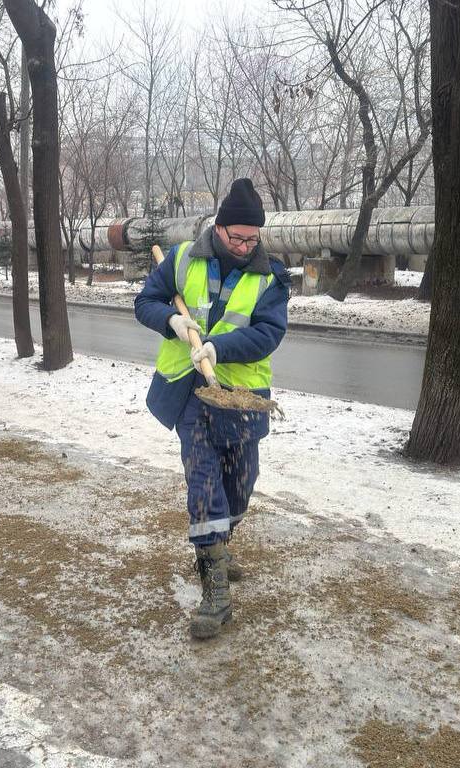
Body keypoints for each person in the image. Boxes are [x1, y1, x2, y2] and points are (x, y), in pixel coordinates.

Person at [134, 178, 290, 640]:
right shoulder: (182, 260)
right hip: (189, 395)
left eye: (252, 238)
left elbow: (268, 334)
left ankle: (220, 541)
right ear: (218, 228)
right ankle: (215, 589)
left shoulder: (271, 278)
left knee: (241, 485)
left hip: (239, 398)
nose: (244, 245)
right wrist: (171, 321)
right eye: (237, 236)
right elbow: (145, 301)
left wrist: (218, 347)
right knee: (203, 485)